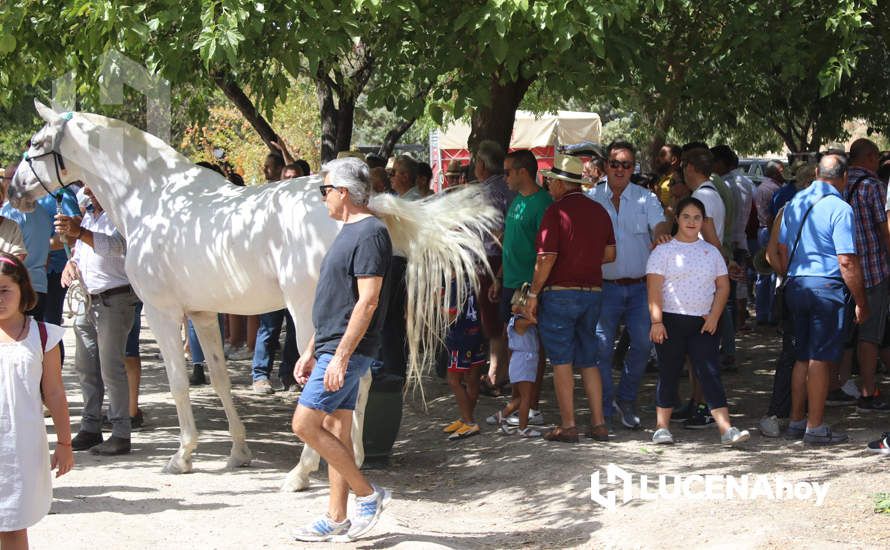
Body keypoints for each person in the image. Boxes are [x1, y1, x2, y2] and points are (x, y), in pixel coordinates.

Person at [291, 158, 391, 542]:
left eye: (325, 190)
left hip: (348, 351)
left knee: (304, 424)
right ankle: (336, 516)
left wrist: (342, 357)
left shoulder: (370, 234)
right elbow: (337, 300)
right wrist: (313, 348)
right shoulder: (349, 231)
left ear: (344, 193)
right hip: (332, 347)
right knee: (336, 430)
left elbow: (367, 302)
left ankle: (367, 495)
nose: (323, 198)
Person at [524, 154, 615, 443]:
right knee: (589, 359)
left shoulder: (555, 212)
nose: (549, 185)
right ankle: (599, 424)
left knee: (561, 359)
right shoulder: (599, 211)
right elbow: (611, 255)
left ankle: (568, 424)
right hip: (593, 293)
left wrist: (533, 293)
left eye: (552, 180)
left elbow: (546, 257)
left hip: (560, 293)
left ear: (563, 183)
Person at [777, 153, 868, 445]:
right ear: (844, 178)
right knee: (820, 358)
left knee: (802, 356)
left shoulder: (794, 202)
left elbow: (779, 249)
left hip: (795, 284)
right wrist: (861, 300)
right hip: (826, 289)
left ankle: (796, 420)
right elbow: (847, 261)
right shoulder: (840, 208)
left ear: (816, 172)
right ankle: (815, 426)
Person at [646, 198, 751, 446]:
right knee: (669, 372)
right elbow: (654, 288)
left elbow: (723, 286)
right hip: (670, 321)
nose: (691, 222)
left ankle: (726, 429)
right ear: (677, 219)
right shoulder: (663, 250)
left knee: (710, 373)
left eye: (697, 218)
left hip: (703, 322)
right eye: (686, 216)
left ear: (703, 222)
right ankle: (661, 427)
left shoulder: (711, 252)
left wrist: (715, 316)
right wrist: (656, 321)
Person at [588, 141, 670, 430]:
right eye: (614, 163)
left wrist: (661, 235)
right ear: (605, 166)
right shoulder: (591, 198)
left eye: (626, 164)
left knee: (644, 343)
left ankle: (626, 400)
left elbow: (661, 225)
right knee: (601, 349)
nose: (620, 169)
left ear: (633, 168)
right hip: (604, 287)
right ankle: (606, 405)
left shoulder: (646, 198)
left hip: (639, 288)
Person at [56, 186, 139, 455]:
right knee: (85, 366)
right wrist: (72, 264)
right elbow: (81, 253)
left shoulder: (121, 216)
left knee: (110, 368)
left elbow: (115, 247)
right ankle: (91, 427)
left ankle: (120, 432)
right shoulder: (90, 216)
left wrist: (80, 232)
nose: (88, 193)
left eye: (92, 187)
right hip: (88, 300)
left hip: (114, 300)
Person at [0, 252, 73, 548]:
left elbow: (54, 393)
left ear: (22, 291)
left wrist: (65, 444)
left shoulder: (43, 336)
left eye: (5, 290)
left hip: (20, 447)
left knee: (13, 527)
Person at [488, 149, 551, 426]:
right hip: (510, 282)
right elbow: (510, 244)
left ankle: (530, 406)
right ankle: (517, 403)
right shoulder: (517, 202)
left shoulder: (542, 203)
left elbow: (545, 252)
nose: (505, 177)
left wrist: (533, 291)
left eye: (508, 171)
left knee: (530, 348)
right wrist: (499, 277)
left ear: (523, 172)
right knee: (514, 343)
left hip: (527, 285)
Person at [844, 138, 890, 411]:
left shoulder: (841, 182)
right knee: (870, 334)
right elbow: (885, 231)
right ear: (871, 157)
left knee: (849, 332)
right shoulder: (872, 186)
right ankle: (868, 391)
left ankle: (839, 385)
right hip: (873, 269)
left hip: (845, 269)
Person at [473, 140, 516, 394]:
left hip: (491, 259)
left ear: (482, 164)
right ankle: (503, 371)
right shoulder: (510, 188)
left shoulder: (486, 192)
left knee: (493, 318)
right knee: (505, 317)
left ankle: (496, 374)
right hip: (507, 258)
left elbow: (490, 230)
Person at [1, 162, 53, 320]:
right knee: (37, 337)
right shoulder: (43, 213)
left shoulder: (11, 212)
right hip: (39, 286)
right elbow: (47, 255)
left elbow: (18, 257)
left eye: (6, 178)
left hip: (16, 291)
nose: (4, 181)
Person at [489, 299, 541, 437]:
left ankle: (502, 415)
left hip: (524, 360)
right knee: (526, 397)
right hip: (523, 360)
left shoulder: (518, 320)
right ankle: (522, 428)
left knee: (522, 396)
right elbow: (535, 321)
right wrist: (527, 311)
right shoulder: (518, 321)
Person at [442, 279, 485, 440]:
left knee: (453, 380)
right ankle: (466, 418)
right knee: (472, 380)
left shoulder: (454, 284)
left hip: (460, 338)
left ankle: (469, 421)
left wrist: (435, 305)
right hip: (475, 333)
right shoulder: (471, 281)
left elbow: (450, 315)